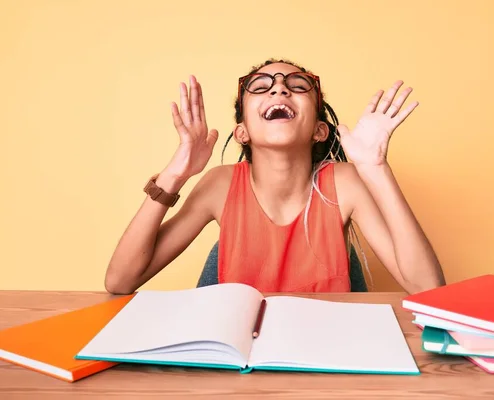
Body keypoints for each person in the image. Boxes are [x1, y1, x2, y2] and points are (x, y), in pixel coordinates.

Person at [104, 58, 446, 295]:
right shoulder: (219, 185)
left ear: (319, 130)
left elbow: (429, 289)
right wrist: (175, 172)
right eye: (260, 86)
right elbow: (120, 280)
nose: (279, 89)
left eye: (297, 85)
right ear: (242, 132)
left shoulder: (344, 183)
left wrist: (375, 169)